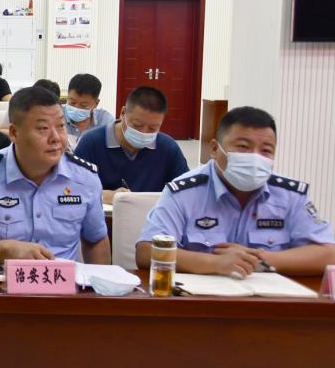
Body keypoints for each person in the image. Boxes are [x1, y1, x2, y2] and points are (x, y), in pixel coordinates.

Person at [137, 106, 335, 276]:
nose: (255, 157)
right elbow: (146, 252)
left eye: (266, 150)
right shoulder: (184, 192)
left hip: (271, 301)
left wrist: (259, 259)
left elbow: (328, 253)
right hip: (201, 301)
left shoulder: (290, 195)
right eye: (243, 147)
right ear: (215, 149)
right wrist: (214, 263)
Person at [0, 86, 109, 263]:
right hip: (1, 278)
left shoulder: (84, 178)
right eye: (43, 128)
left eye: (61, 126)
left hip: (63, 279)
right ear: (14, 133)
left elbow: (96, 240)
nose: (56, 138)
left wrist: (99, 279)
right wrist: (5, 249)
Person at [75, 86, 189, 204]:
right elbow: (72, 191)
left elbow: (188, 192)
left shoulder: (168, 148)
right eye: (137, 125)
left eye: (152, 128)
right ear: (122, 113)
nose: (143, 133)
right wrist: (106, 196)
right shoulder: (91, 143)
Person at [63, 73, 113, 150]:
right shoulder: (56, 115)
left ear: (96, 103)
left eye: (83, 105)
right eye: (72, 102)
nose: (76, 108)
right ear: (67, 97)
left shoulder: (105, 121)